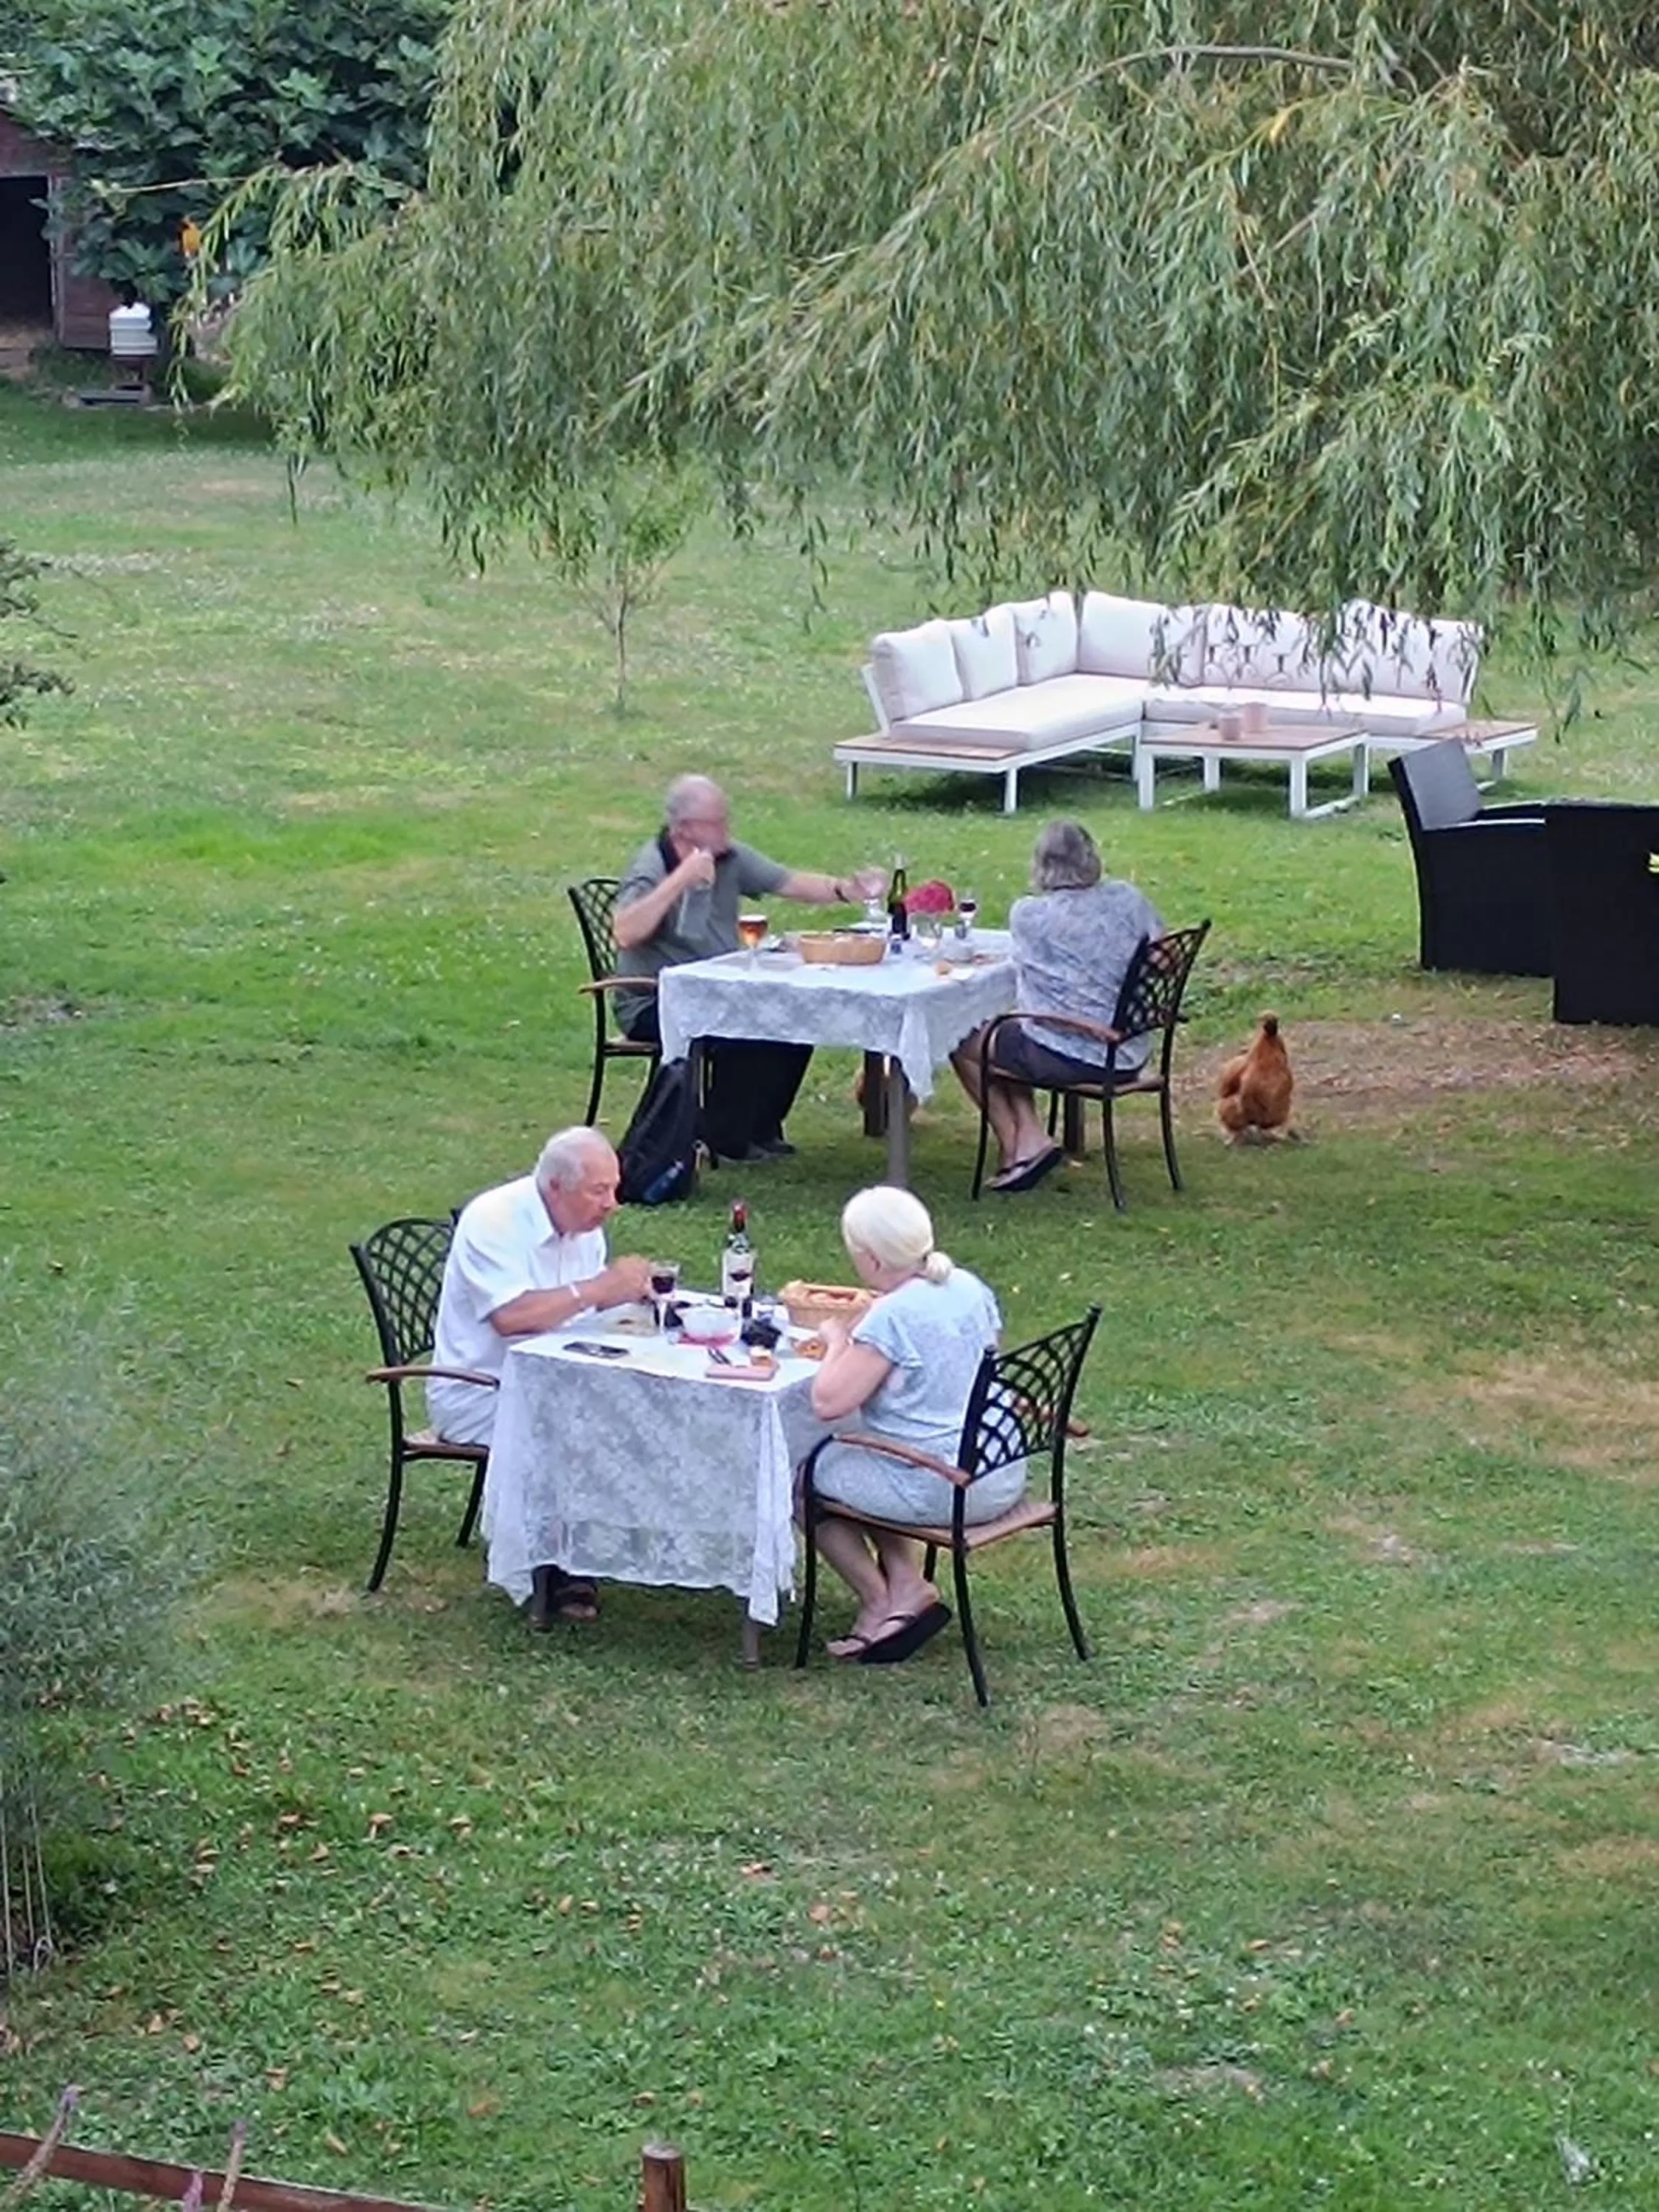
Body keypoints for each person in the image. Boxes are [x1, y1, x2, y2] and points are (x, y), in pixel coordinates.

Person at [431, 1127, 653, 1624]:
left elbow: (577, 1311)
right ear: (555, 1187)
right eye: (599, 1191)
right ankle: (555, 1566)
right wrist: (598, 1289)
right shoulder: (494, 1221)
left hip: (557, 1380)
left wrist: (629, 1299)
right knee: (583, 1429)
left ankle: (605, 1548)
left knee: (639, 1409)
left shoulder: (585, 1228)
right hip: (481, 1390)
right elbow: (512, 1317)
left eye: (614, 1189)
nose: (612, 1204)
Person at [613, 774, 884, 1163]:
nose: (726, 830)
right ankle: (726, 1138)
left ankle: (761, 1127)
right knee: (745, 1029)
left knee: (796, 1015)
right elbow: (625, 932)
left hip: (720, 989)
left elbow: (787, 882)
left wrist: (845, 889)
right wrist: (681, 880)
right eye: (716, 823)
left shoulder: (730, 857)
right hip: (657, 1000)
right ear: (684, 829)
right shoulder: (653, 866)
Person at [804, 1186, 1021, 1663]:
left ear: (871, 1258)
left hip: (946, 1485)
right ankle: (905, 1583)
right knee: (869, 1451)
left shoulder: (892, 1316)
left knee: (802, 1477)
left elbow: (827, 1401)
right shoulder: (966, 1286)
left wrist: (837, 1339)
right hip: (999, 1468)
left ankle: (878, 1600)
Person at [950, 818, 1164, 1193]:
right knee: (1010, 1035)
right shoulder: (1128, 898)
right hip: (1127, 1050)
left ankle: (1017, 1143)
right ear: (1091, 856)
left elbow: (1026, 978)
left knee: (960, 1037)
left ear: (1040, 864)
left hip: (1074, 1055)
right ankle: (1029, 1137)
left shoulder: (1030, 915)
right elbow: (1163, 957)